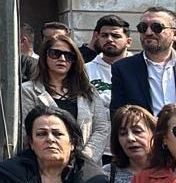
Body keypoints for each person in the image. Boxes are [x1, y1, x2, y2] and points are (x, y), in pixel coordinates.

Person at [21, 33, 110, 162]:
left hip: (85, 166)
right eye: (55, 53)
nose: (62, 59)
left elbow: (101, 129)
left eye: (69, 56)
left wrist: (83, 159)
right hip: (44, 166)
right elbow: (26, 132)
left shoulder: (87, 90)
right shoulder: (28, 90)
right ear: (45, 56)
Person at [110, 7, 176, 115]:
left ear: (175, 34)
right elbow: (118, 113)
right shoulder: (123, 68)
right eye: (143, 27)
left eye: (157, 27)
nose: (148, 32)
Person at [104, 104, 156, 183]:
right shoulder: (107, 174)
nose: (130, 138)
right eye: (123, 134)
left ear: (154, 133)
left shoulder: (172, 170)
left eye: (137, 131)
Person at [84, 14, 131, 107]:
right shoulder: (85, 70)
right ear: (98, 38)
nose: (109, 39)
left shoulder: (139, 68)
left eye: (116, 36)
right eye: (104, 35)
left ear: (128, 42)